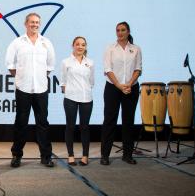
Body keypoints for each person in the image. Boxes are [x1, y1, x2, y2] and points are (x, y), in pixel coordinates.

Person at [5, 12, 55, 168]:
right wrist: (22, 78)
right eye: (32, 22)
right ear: (26, 24)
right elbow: (10, 65)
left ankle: (46, 156)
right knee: (21, 123)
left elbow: (49, 66)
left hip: (41, 89)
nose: (35, 24)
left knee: (43, 123)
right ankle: (16, 155)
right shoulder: (17, 43)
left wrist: (38, 78)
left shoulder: (46, 43)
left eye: (37, 22)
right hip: (23, 89)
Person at [100, 21, 142, 165]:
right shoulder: (110, 48)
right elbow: (107, 69)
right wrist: (119, 85)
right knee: (109, 121)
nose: (120, 32)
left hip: (131, 88)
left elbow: (138, 69)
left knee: (128, 122)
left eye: (123, 30)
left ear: (128, 32)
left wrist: (129, 84)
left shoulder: (136, 49)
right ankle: (105, 155)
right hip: (113, 88)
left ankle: (127, 154)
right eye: (118, 30)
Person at [60, 36, 94, 166]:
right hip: (70, 98)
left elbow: (92, 82)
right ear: (73, 45)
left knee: (85, 127)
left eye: (83, 45)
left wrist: (84, 90)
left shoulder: (90, 62)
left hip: (87, 98)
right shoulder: (66, 62)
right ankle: (71, 155)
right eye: (78, 44)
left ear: (85, 47)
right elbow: (63, 82)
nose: (80, 47)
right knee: (70, 126)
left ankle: (85, 156)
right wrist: (71, 92)